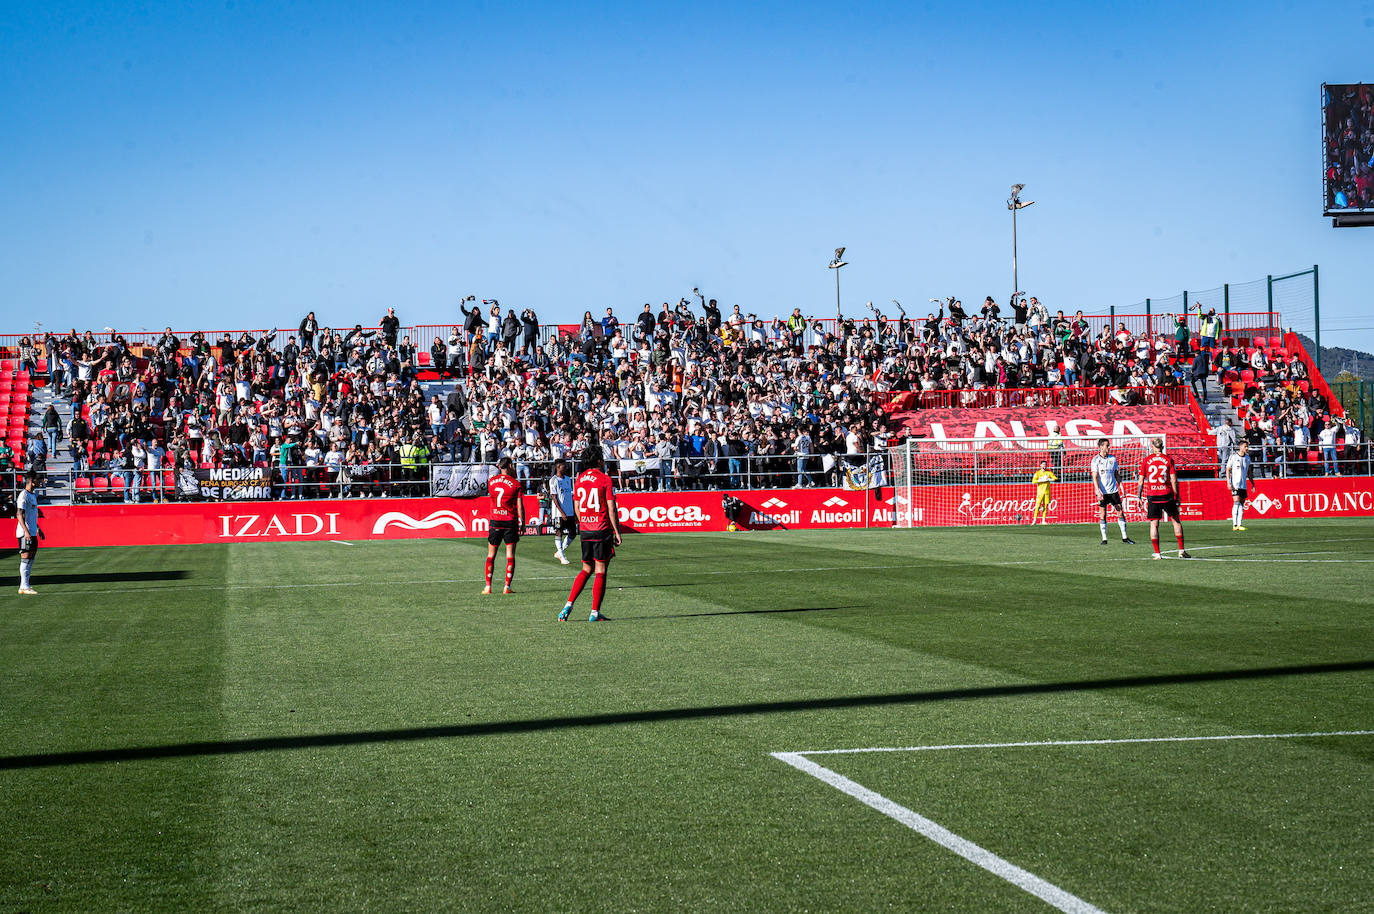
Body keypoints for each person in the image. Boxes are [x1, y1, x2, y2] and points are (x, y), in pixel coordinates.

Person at [558, 444, 622, 622]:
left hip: (586, 530)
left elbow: (577, 507)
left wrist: (584, 522)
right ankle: (594, 612)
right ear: (599, 461)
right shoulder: (605, 479)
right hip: (601, 530)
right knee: (601, 569)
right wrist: (617, 531)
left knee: (586, 568)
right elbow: (611, 508)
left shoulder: (579, 480)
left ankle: (568, 605)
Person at [1137, 437, 1191, 559]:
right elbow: (1173, 479)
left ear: (1152, 447)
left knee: (1154, 524)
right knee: (1176, 521)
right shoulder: (1168, 460)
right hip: (1166, 494)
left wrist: (1138, 497)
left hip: (1152, 495)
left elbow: (1140, 481)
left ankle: (1157, 553)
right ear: (1162, 447)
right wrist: (1176, 495)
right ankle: (1181, 551)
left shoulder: (1146, 460)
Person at [483, 456, 523, 595]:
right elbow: (519, 505)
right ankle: (507, 586)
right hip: (509, 521)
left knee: (491, 554)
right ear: (510, 466)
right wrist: (522, 522)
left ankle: (488, 587)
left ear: (500, 467)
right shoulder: (516, 484)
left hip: (495, 520)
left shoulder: (492, 482)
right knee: (510, 555)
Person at [1090, 438, 1134, 545]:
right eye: (1107, 445)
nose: (1109, 447)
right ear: (1101, 447)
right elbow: (1094, 477)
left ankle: (1125, 537)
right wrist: (1098, 491)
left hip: (1114, 491)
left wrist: (1122, 487)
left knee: (1120, 512)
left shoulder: (1112, 459)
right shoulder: (1095, 460)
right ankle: (1104, 539)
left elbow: (1116, 474)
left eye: (1109, 445)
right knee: (1102, 514)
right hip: (1103, 492)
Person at [547, 458, 577, 565]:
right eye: (564, 465)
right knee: (559, 532)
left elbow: (569, 496)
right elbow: (554, 497)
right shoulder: (554, 480)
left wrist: (573, 511)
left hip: (570, 512)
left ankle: (560, 551)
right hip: (559, 513)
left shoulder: (568, 479)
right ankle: (561, 555)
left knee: (573, 533)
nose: (566, 467)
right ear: (558, 467)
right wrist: (562, 512)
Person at [16, 471, 40, 595]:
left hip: (32, 532)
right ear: (31, 480)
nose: (40, 481)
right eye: (38, 479)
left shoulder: (32, 495)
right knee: (25, 558)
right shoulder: (23, 495)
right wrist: (26, 532)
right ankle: (24, 586)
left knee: (31, 558)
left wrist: (38, 528)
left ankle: (25, 585)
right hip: (25, 533)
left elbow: (31, 515)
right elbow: (19, 514)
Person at [1226, 439, 1251, 532]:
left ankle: (1240, 524)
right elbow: (1228, 469)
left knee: (1241, 503)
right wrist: (1228, 482)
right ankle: (1234, 524)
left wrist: (1252, 483)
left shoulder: (1248, 458)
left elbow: (1249, 471)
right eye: (1245, 446)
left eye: (1247, 446)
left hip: (1243, 484)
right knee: (1236, 502)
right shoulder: (1233, 457)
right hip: (1235, 484)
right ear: (1240, 447)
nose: (1247, 448)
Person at [1029, 460, 1056, 525]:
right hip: (1040, 492)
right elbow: (1033, 481)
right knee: (1037, 506)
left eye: (1045, 465)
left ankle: (1043, 520)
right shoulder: (1037, 473)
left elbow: (1055, 478)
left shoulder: (1049, 473)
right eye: (1043, 464)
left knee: (1045, 506)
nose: (1044, 466)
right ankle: (1034, 520)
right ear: (1040, 465)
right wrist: (1040, 480)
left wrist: (1049, 479)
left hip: (1046, 492)